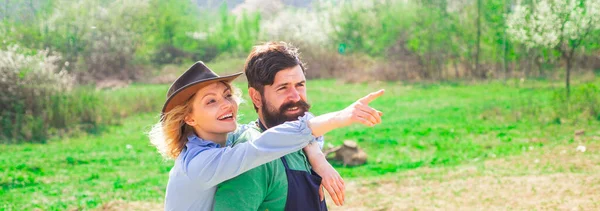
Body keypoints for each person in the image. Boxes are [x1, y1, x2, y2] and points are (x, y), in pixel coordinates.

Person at [149, 60, 384, 211]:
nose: (227, 105)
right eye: (211, 101)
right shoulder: (200, 165)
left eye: (227, 95)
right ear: (189, 118)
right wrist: (340, 117)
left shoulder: (229, 140)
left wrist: (316, 155)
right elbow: (262, 145)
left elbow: (281, 131)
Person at [213, 42, 384, 210]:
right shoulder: (254, 158)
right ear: (256, 97)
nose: (295, 97)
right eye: (283, 88)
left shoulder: (304, 142)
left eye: (300, 85)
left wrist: (318, 158)